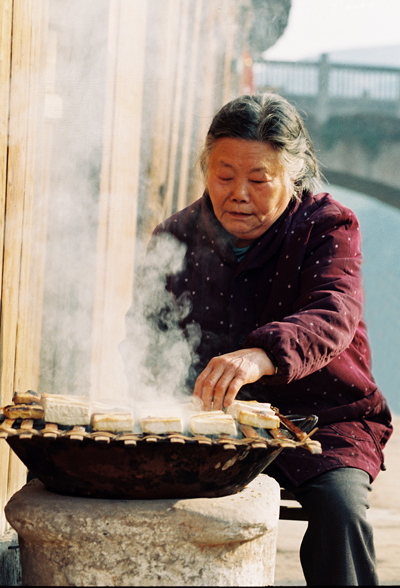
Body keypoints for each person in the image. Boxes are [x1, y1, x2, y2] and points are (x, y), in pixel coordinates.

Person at [122, 93, 392, 586]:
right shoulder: (176, 236)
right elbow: (145, 332)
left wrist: (262, 354)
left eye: (258, 179)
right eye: (224, 176)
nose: (238, 193)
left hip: (322, 418)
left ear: (293, 176)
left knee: (340, 512)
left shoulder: (329, 226)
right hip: (208, 419)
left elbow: (335, 312)